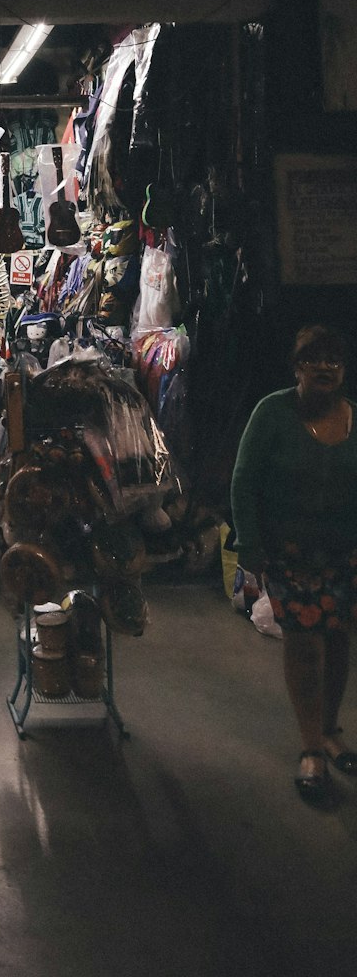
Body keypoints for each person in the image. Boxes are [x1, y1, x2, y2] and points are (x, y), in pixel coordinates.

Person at [231, 324, 357, 803]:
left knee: (339, 639)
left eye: (335, 360)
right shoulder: (272, 413)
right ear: (297, 367)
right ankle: (311, 750)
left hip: (344, 553)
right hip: (289, 552)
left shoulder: (353, 418)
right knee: (305, 642)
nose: (325, 367)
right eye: (314, 359)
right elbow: (244, 482)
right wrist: (250, 545)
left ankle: (329, 729)